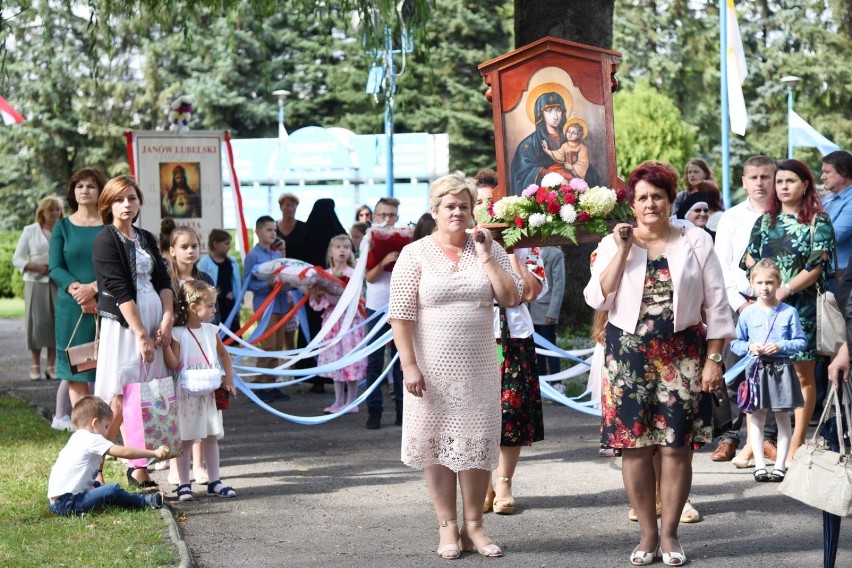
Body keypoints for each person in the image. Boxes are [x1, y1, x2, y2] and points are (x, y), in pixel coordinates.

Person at [584, 161, 733, 566]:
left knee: (676, 448)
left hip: (683, 356)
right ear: (632, 205)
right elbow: (596, 299)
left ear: (671, 201)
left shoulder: (696, 239)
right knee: (633, 447)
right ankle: (647, 535)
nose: (651, 204)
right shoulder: (616, 242)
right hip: (627, 357)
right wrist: (624, 249)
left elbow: (717, 306)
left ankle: (670, 536)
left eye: (658, 197)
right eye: (643, 198)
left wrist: (713, 360)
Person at [388, 171, 522, 559]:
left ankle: (475, 526)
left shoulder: (487, 248)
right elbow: (400, 315)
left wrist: (485, 254)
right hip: (430, 370)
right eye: (450, 206)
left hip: (478, 366)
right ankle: (447, 527)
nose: (458, 212)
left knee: (477, 445)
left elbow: (512, 297)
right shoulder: (415, 253)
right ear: (435, 210)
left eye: (465, 206)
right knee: (436, 447)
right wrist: (409, 366)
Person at [742, 158, 836, 459]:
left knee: (801, 377)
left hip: (801, 311)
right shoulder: (765, 221)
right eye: (779, 181)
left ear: (805, 185)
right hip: (765, 309)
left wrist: (785, 289)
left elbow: (817, 266)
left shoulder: (817, 222)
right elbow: (749, 257)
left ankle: (795, 444)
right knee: (760, 372)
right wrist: (763, 285)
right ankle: (753, 444)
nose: (783, 187)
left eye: (790, 181)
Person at [92, 175, 174, 489]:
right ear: (108, 204)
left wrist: (166, 321)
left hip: (154, 320)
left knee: (148, 396)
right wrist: (140, 333)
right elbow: (118, 289)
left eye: (132, 199)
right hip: (126, 325)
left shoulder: (146, 237)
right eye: (120, 199)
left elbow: (164, 281)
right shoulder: (105, 239)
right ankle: (94, 461)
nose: (127, 205)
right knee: (119, 395)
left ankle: (139, 466)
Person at [474, 172, 546, 517]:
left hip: (513, 336)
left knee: (512, 413)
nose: (486, 209)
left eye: (492, 203)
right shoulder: (461, 244)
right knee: (476, 412)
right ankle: (481, 482)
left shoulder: (525, 242)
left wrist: (512, 250)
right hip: (474, 337)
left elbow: (529, 292)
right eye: (479, 203)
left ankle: (503, 481)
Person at [712, 156, 779, 466]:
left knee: (771, 371)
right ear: (743, 181)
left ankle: (767, 438)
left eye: (766, 176)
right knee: (731, 371)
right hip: (738, 304)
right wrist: (740, 304)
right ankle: (728, 436)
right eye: (753, 177)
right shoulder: (732, 217)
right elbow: (721, 266)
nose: (760, 182)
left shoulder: (783, 215)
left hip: (775, 305)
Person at [730, 259, 806, 482]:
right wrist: (749, 347)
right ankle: (760, 466)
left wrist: (782, 346)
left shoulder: (789, 312)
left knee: (783, 417)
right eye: (760, 282)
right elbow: (735, 343)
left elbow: (801, 341)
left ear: (779, 283)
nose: (765, 287)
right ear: (752, 284)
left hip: (782, 369)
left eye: (770, 282)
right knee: (756, 417)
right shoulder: (747, 314)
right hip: (756, 370)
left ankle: (780, 465)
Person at [163, 280, 238, 501]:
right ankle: (184, 483)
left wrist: (229, 379)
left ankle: (215, 480)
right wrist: (166, 344)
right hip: (186, 392)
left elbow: (224, 355)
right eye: (210, 305)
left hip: (207, 392)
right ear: (194, 307)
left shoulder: (211, 330)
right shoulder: (178, 333)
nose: (214, 310)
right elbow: (174, 363)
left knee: (211, 436)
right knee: (185, 438)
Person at [49, 169, 107, 431]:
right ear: (73, 192)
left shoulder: (109, 225)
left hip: (106, 305)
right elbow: (55, 267)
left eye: (91, 186)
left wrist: (93, 289)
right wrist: (78, 291)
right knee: (77, 372)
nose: (85, 190)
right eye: (79, 186)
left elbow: (115, 266)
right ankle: (84, 433)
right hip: (71, 310)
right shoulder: (62, 226)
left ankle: (107, 430)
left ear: (100, 192)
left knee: (106, 369)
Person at [47, 396, 168, 515]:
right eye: (106, 426)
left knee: (98, 486)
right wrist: (153, 453)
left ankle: (128, 498)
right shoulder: (92, 439)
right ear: (95, 423)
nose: (107, 431)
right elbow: (124, 452)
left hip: (56, 501)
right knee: (112, 490)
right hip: (68, 502)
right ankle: (144, 501)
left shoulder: (76, 437)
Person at [309, 235, 365, 414]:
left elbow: (358, 297)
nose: (342, 250)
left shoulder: (354, 274)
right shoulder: (324, 275)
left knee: (350, 358)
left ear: (350, 252)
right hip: (332, 322)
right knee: (335, 359)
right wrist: (318, 294)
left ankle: (352, 401)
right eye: (338, 247)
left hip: (349, 321)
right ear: (331, 252)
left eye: (346, 247)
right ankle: (338, 401)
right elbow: (317, 301)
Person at [363, 197, 405, 429]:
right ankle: (374, 411)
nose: (388, 220)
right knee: (375, 362)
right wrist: (384, 262)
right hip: (376, 306)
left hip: (401, 305)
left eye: (392, 215)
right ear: (375, 217)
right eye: (383, 215)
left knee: (401, 360)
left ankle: (402, 411)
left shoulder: (405, 236)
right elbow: (368, 276)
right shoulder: (369, 238)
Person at [14, 195, 63, 381]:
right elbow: (17, 259)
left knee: (55, 324)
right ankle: (35, 364)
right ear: (42, 212)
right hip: (35, 283)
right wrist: (35, 267)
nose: (55, 213)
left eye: (58, 209)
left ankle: (51, 366)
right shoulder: (30, 230)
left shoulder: (62, 230)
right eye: (51, 210)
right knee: (36, 324)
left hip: (56, 282)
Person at [244, 215, 291, 402]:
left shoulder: (277, 255)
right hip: (265, 306)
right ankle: (260, 383)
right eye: (269, 230)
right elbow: (247, 283)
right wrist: (268, 286)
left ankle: (271, 383)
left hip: (280, 304)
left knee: (277, 347)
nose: (273, 233)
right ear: (258, 232)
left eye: (274, 230)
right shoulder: (253, 256)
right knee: (268, 346)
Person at [510, 91, 575, 194]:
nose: (555, 116)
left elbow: (585, 169)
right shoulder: (529, 144)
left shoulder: (571, 139)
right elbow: (521, 174)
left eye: (558, 110)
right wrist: (547, 173)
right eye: (549, 111)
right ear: (540, 114)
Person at [530, 246, 565, 378]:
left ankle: (556, 381)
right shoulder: (530, 250)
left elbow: (559, 284)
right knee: (535, 350)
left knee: (550, 348)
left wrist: (553, 312)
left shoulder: (555, 253)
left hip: (546, 311)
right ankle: (541, 381)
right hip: (529, 309)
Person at [199, 228, 242, 333]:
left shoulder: (232, 262)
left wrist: (238, 306)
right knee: (215, 336)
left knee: (232, 337)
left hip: (230, 306)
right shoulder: (204, 263)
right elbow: (199, 285)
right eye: (226, 243)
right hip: (214, 306)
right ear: (215, 244)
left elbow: (237, 284)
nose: (229, 246)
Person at [820, 150, 852, 284]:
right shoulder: (828, 199)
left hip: (844, 275)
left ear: (843, 171)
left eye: (827, 172)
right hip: (826, 273)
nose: (822, 177)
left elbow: (835, 235)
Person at [275, 192, 307, 260]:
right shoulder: (273, 227)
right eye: (287, 205)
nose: (290, 208)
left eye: (293, 205)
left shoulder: (304, 227)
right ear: (281, 207)